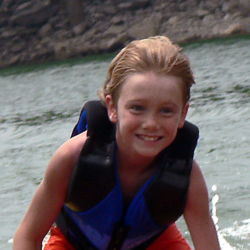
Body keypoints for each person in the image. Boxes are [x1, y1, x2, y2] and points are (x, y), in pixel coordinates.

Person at [13, 36, 221, 250]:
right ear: (112, 107)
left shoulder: (187, 178)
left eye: (166, 111)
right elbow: (28, 237)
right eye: (137, 108)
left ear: (182, 115)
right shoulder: (71, 158)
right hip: (72, 244)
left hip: (154, 244)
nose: (151, 124)